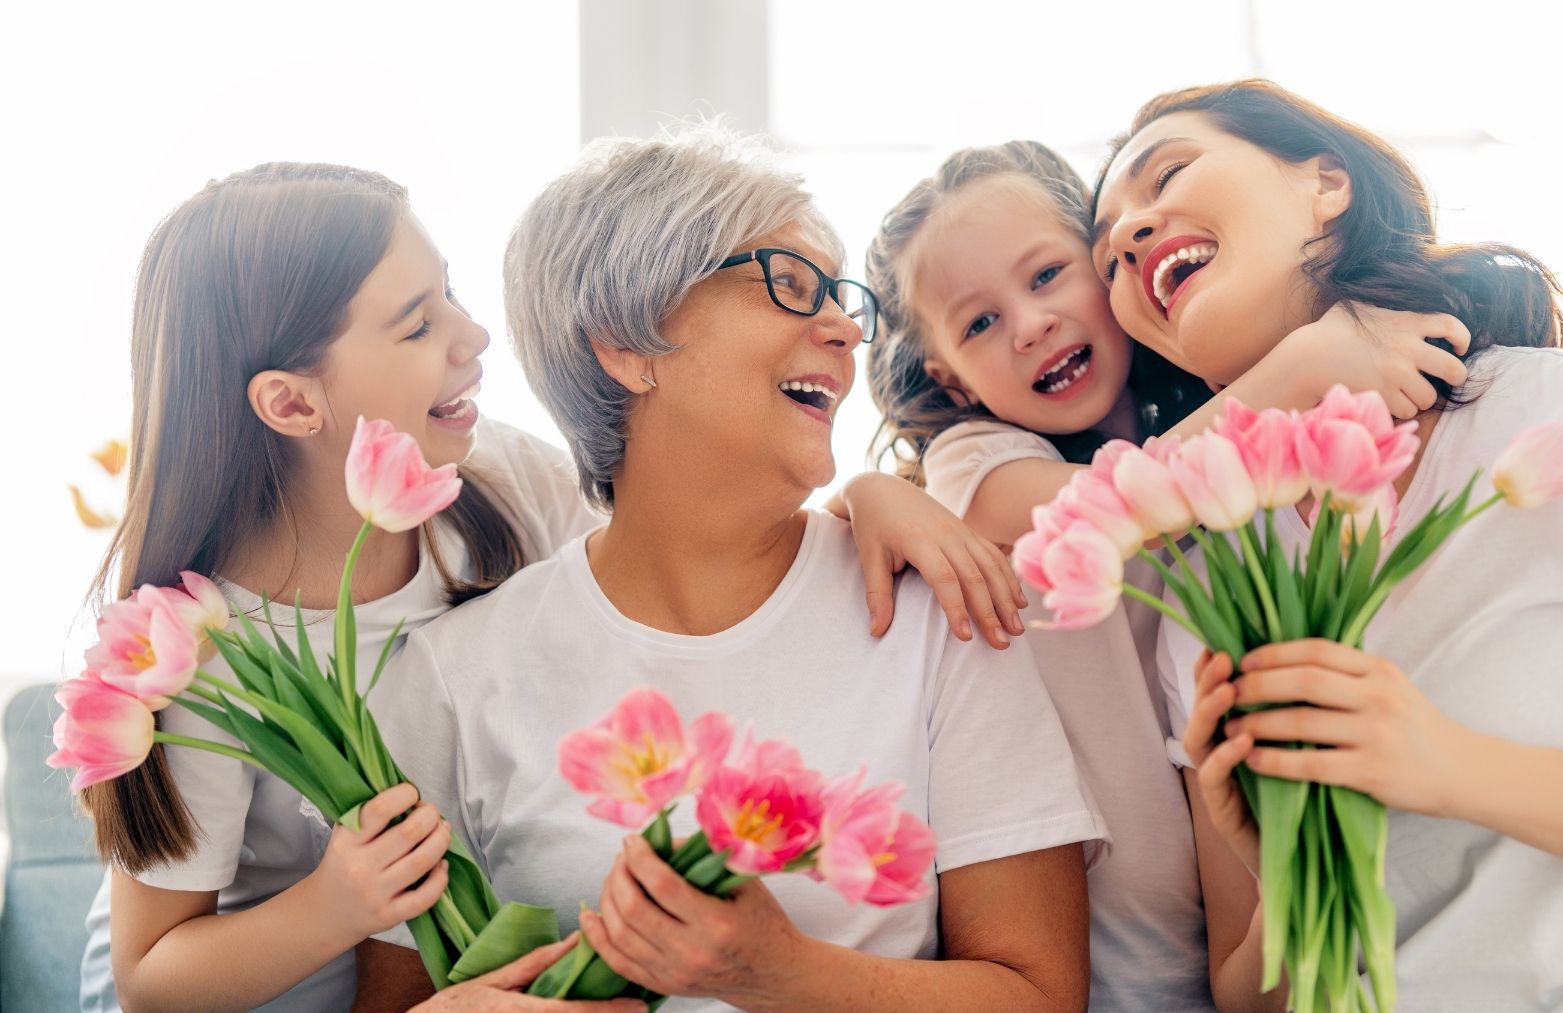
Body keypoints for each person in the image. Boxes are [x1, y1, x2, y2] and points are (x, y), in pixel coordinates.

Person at [78, 162, 1026, 1013]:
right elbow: (150, 975)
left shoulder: (487, 484)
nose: (473, 332)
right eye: (418, 321)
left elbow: (676, 530)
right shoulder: (195, 650)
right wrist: (340, 902)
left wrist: (875, 495)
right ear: (291, 402)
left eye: (448, 294)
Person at [355, 125, 1099, 1013]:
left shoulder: (941, 609)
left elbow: (1042, 993)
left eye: (840, 294)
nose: (845, 329)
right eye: (790, 284)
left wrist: (781, 972)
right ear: (626, 344)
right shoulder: (452, 676)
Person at [1092, 79, 1563, 1010]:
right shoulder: (1205, 591)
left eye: (1167, 175)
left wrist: (1447, 765)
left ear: (1328, 182)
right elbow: (1246, 992)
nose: (1132, 237)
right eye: (1106, 254)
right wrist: (1295, 875)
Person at [862, 138, 1470, 1010]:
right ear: (950, 381)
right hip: (1105, 961)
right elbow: (1116, 507)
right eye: (980, 324)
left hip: (1236, 928)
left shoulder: (1196, 414)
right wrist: (1302, 369)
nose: (1029, 323)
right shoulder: (978, 460)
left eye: (1046, 277)